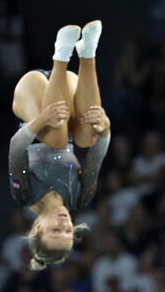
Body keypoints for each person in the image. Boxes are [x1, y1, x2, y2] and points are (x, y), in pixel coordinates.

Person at [8, 22, 111, 270]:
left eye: (56, 230)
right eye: (68, 231)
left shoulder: (23, 194)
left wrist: (41, 120)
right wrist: (106, 128)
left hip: (33, 94)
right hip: (64, 91)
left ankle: (61, 53)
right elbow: (96, 155)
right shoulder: (81, 196)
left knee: (57, 140)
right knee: (88, 138)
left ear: (38, 227)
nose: (65, 223)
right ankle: (87, 52)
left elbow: (17, 145)